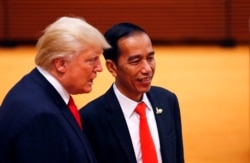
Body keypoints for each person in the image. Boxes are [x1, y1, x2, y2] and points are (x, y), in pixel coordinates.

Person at [0, 16, 110, 163]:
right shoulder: (42, 117)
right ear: (61, 64)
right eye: (91, 60)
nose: (99, 68)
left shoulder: (33, 88)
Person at [80, 22, 185, 163]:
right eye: (135, 61)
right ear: (112, 68)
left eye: (150, 58)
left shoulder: (167, 101)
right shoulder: (90, 118)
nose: (147, 69)